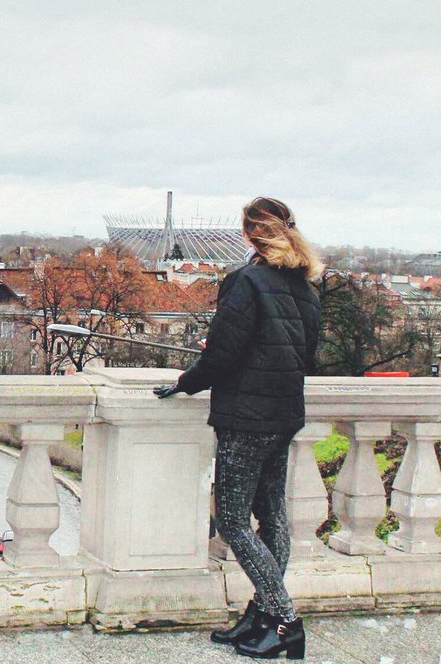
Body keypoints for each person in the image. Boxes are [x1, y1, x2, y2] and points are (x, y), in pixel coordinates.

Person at [153, 197, 321, 660]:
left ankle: (285, 620)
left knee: (232, 520)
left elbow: (222, 355)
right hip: (284, 414)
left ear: (249, 233)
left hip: (247, 416)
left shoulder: (245, 281)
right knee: (271, 517)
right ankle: (262, 615)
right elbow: (304, 355)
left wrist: (185, 383)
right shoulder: (305, 287)